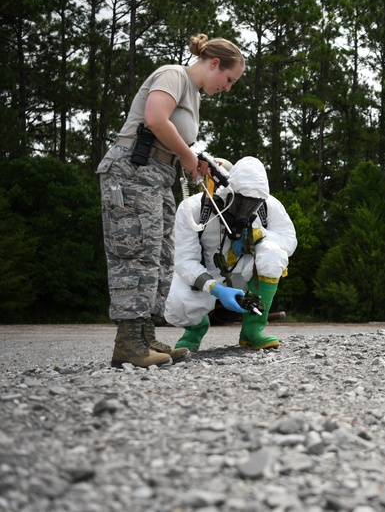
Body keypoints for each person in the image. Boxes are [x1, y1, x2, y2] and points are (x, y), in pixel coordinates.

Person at [97, 33, 244, 368]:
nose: (228, 87)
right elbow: (155, 118)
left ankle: (144, 336)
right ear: (215, 63)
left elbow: (172, 137)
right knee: (134, 253)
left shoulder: (192, 93)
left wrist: (193, 158)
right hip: (132, 173)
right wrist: (187, 155)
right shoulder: (173, 75)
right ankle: (128, 342)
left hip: (157, 176)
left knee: (160, 255)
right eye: (229, 79)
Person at [165, 156, 297, 351]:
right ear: (227, 191)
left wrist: (260, 236)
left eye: (252, 204)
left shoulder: (269, 206)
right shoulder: (193, 209)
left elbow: (289, 240)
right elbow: (185, 261)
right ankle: (194, 331)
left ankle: (252, 332)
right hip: (206, 273)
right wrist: (215, 289)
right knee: (175, 300)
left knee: (273, 254)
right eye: (241, 202)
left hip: (244, 271)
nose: (246, 209)